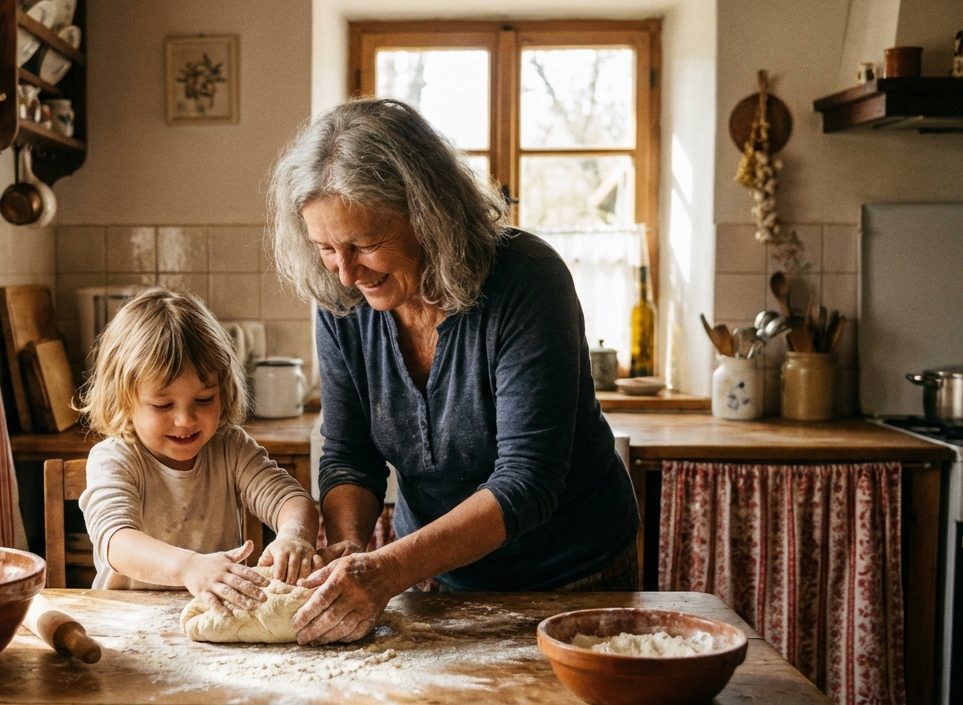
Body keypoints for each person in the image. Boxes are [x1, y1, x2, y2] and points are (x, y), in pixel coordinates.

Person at [267, 99, 639, 645]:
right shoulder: (340, 301)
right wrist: (350, 543)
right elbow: (350, 455)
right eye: (326, 248)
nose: (346, 272)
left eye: (365, 245)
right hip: (433, 576)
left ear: (428, 215)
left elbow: (527, 480)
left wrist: (386, 570)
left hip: (573, 575)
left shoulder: (527, 281)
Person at [79, 287, 322, 613]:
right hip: (128, 622)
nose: (185, 419)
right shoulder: (116, 459)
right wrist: (188, 567)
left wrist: (294, 535)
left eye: (204, 400)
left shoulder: (230, 449)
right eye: (163, 405)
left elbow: (291, 500)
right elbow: (117, 540)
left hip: (217, 615)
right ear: (123, 400)